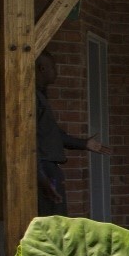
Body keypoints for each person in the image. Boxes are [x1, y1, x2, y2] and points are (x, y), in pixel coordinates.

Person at [36, 53, 106, 215]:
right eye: (53, 67)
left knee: (58, 219)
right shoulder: (32, 98)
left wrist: (84, 144)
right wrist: (40, 176)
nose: (56, 71)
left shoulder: (41, 97)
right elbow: (27, 142)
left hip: (48, 169)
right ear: (42, 68)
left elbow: (52, 134)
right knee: (51, 221)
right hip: (43, 170)